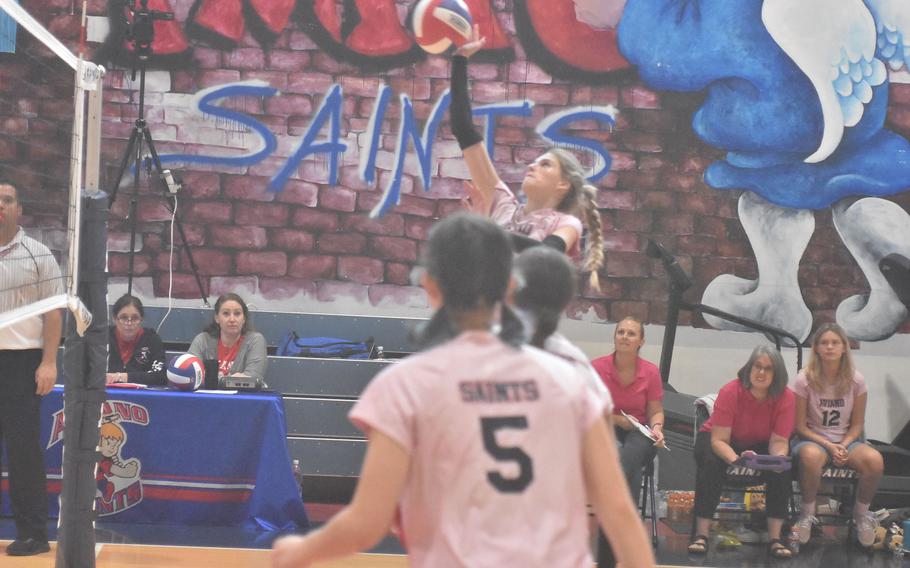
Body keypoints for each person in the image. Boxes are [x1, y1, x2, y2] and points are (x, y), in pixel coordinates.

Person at [271, 213, 654, 568]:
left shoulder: (405, 386)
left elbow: (367, 523)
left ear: (429, 285)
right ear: (510, 286)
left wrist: (298, 551)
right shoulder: (571, 379)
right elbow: (617, 509)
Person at [449, 27, 605, 289]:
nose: (532, 165)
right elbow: (464, 130)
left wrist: (486, 231)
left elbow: (544, 253)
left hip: (523, 322)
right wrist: (459, 60)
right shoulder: (502, 202)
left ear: (563, 184)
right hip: (483, 313)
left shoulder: (567, 223)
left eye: (545, 164)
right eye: (535, 161)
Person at [689, 345, 796, 559]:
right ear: (749, 368)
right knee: (711, 462)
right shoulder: (730, 391)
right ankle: (701, 535)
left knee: (782, 469)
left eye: (768, 369)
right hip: (719, 439)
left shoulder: (787, 397)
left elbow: (779, 440)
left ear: (777, 375)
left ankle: (775, 538)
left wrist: (775, 460)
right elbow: (719, 440)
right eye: (757, 366)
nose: (761, 373)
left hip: (759, 442)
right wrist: (737, 461)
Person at [0, 180, 60, 556]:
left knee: (23, 451)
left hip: (22, 363)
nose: (0, 206)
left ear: (19, 209)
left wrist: (49, 361)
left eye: (6, 200)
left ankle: (34, 535)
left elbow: (53, 313)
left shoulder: (39, 254)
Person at [791, 323, 884, 547]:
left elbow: (857, 425)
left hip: (847, 440)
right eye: (824, 343)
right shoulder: (804, 379)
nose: (830, 347)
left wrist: (843, 445)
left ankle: (861, 515)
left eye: (835, 342)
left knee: (875, 460)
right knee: (812, 457)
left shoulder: (856, 380)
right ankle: (808, 514)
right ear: (816, 349)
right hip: (811, 439)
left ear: (844, 347)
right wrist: (829, 446)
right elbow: (799, 426)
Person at [511, 246, 612, 404]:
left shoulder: (477, 352)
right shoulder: (575, 369)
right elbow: (602, 418)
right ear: (566, 304)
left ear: (510, 290)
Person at [591, 317, 665, 505]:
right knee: (628, 466)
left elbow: (655, 410)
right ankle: (625, 527)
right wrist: (617, 420)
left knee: (632, 455)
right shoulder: (597, 368)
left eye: (631, 334)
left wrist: (657, 428)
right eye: (620, 332)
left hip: (638, 429)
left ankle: (611, 528)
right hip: (604, 427)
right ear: (614, 337)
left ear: (641, 341)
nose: (624, 337)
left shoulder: (651, 371)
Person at [188, 293, 267, 385]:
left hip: (241, 397)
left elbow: (253, 378)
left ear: (244, 318)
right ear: (217, 318)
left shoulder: (255, 340)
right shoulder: (203, 340)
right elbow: (191, 373)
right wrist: (232, 380)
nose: (232, 319)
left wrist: (212, 378)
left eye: (237, 314)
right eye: (226, 314)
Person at [107, 294, 166, 386]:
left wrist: (121, 377)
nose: (129, 323)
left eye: (135, 318)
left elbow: (161, 376)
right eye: (124, 317)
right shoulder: (103, 338)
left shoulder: (152, 340)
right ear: (114, 319)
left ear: (141, 319)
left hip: (143, 397)